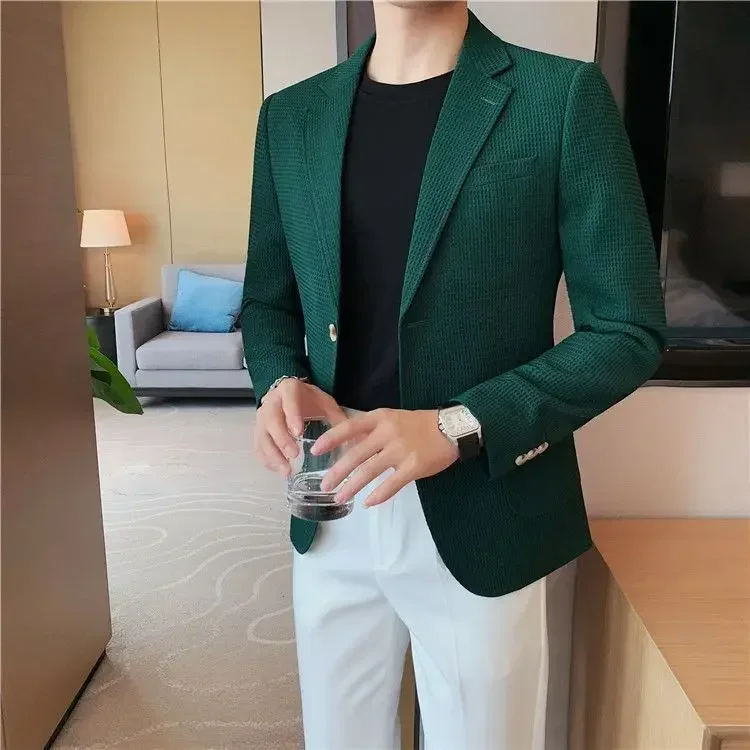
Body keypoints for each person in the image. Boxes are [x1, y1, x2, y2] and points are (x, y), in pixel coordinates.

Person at [241, 2, 666, 748]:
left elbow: (627, 331)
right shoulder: (291, 117)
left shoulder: (561, 97)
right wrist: (280, 382)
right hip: (331, 499)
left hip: (483, 501)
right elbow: (268, 304)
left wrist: (458, 426)